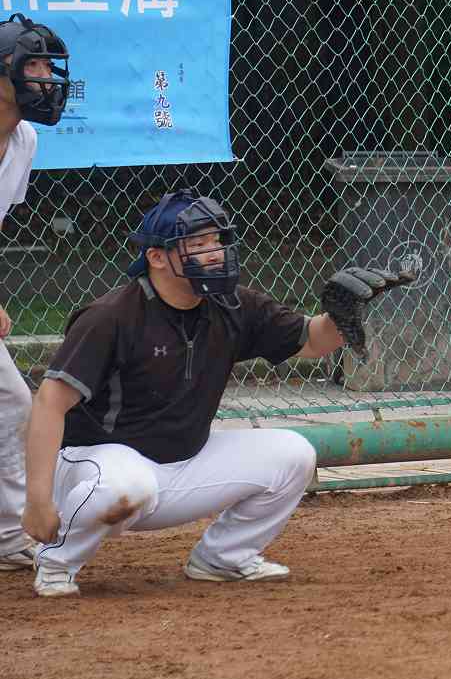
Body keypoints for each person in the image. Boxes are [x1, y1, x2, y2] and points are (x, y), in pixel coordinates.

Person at [21, 189, 413, 597]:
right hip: (97, 467)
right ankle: (56, 563)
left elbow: (313, 341)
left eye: (216, 241)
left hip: (181, 463)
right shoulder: (111, 316)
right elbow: (49, 402)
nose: (213, 253)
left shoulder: (232, 305)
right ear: (157, 257)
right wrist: (38, 500)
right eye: (197, 244)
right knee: (128, 485)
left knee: (293, 454)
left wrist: (340, 316)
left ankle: (223, 558)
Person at [0, 14, 70, 573]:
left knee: (12, 404)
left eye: (49, 66)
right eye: (35, 65)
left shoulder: (23, 140)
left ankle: (7, 537)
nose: (48, 78)